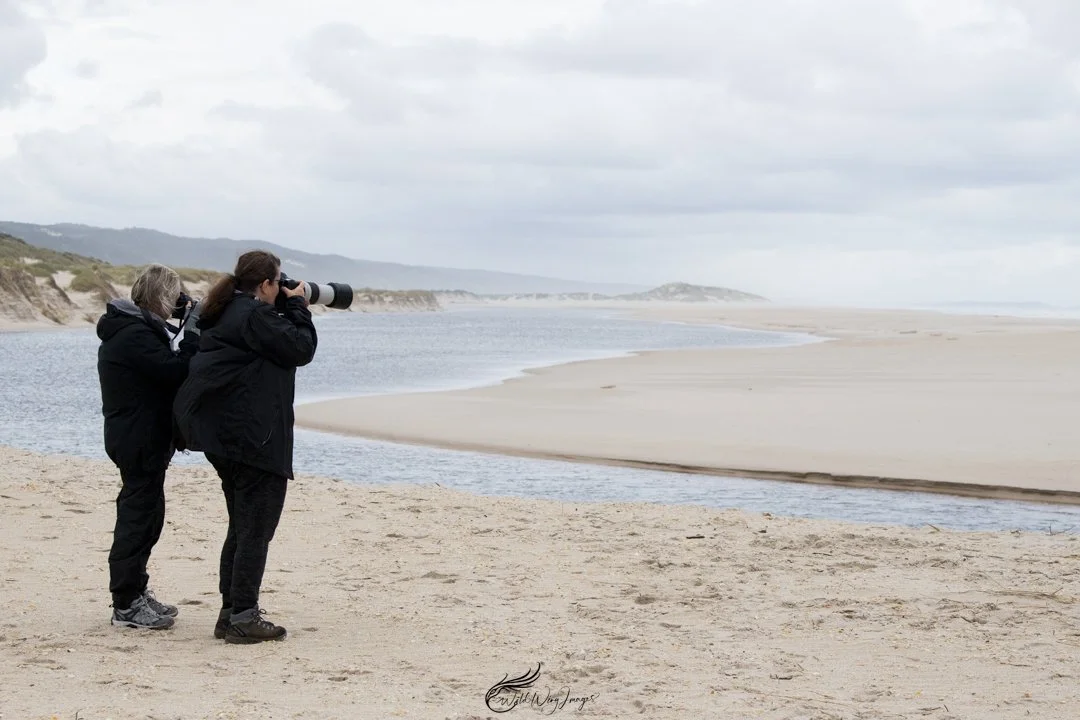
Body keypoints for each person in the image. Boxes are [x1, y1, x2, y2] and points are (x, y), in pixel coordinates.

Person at [173, 250, 317, 644]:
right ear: (267, 284)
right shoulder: (254, 315)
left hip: (222, 437)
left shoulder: (224, 310)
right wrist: (300, 305)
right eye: (279, 282)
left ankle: (229, 613)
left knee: (241, 527)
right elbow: (301, 348)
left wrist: (286, 308)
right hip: (253, 438)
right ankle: (243, 617)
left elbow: (276, 346)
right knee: (255, 531)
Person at [97, 263, 201, 630]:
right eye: (174, 297)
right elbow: (176, 372)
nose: (178, 304)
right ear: (161, 297)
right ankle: (126, 604)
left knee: (148, 516)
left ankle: (135, 592)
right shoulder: (133, 335)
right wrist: (195, 331)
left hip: (140, 436)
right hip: (137, 439)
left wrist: (185, 320)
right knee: (137, 519)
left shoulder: (136, 329)